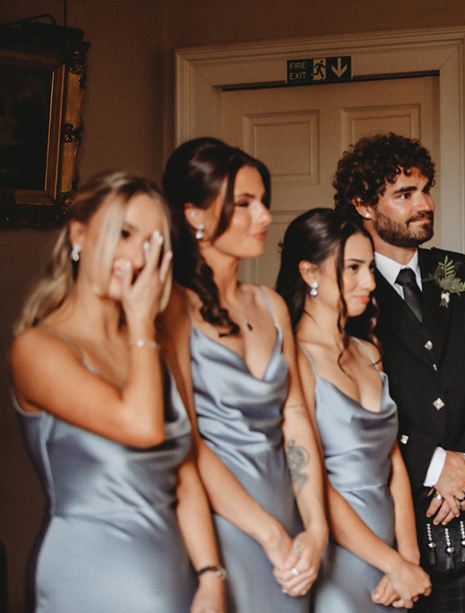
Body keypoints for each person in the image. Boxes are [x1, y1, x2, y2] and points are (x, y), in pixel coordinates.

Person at [10, 172, 225, 612]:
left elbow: (182, 472)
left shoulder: (150, 348)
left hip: (173, 572)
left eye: (151, 243)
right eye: (124, 233)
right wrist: (143, 324)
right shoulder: (37, 349)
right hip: (91, 573)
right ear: (78, 234)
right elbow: (142, 428)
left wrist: (211, 576)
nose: (135, 257)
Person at [333, 133, 465, 611]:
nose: (425, 204)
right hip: (386, 507)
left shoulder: (458, 272)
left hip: (463, 504)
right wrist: (435, 465)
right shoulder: (345, 289)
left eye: (425, 189)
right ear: (363, 205)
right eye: (405, 194)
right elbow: (345, 407)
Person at [160, 138, 327, 612]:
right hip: (218, 522)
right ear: (195, 215)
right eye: (244, 204)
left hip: (289, 514)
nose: (264, 217)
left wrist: (313, 528)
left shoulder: (271, 305)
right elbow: (185, 439)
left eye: (263, 202)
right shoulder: (172, 309)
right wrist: (267, 533)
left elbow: (295, 417)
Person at [275, 208, 431, 610]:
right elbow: (312, 480)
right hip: (339, 560)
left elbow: (393, 458)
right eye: (353, 268)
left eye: (369, 267)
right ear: (310, 273)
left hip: (394, 558)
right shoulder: (295, 360)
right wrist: (391, 562)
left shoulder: (368, 351)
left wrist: (409, 556)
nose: (369, 281)